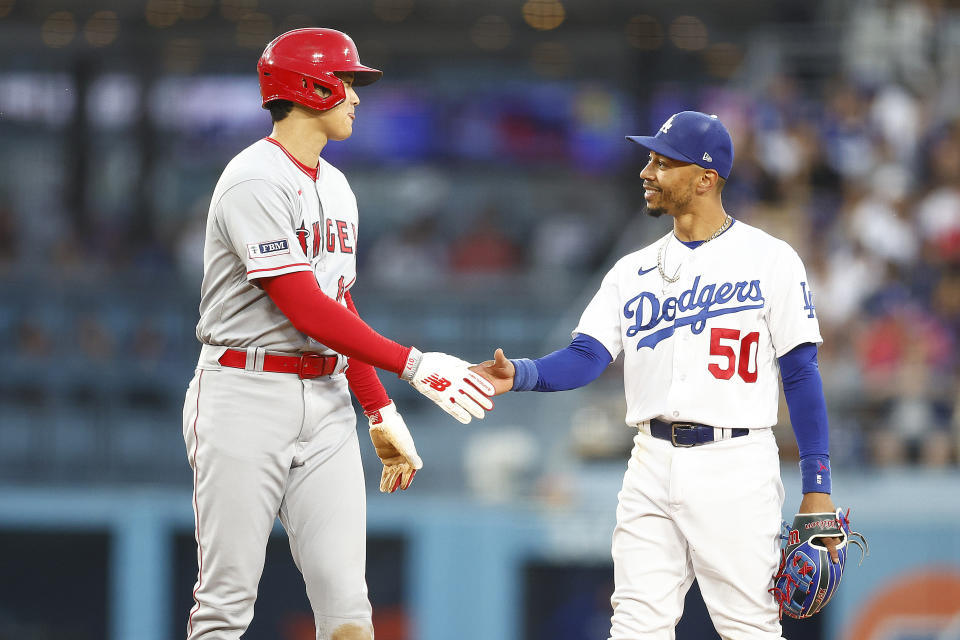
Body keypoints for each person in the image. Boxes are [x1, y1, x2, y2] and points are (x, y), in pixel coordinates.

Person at [472, 111, 840, 639]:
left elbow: (801, 374)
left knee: (749, 628)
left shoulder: (770, 259)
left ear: (705, 179)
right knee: (635, 626)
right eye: (649, 159)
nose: (647, 171)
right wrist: (523, 374)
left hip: (734, 462)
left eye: (663, 163)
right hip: (649, 459)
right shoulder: (632, 269)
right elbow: (587, 355)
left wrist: (817, 483)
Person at [181, 28, 494, 640]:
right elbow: (301, 304)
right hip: (245, 391)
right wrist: (412, 364)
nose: (356, 97)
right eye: (348, 82)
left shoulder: (337, 186)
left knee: (349, 609)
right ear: (309, 86)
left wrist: (376, 408)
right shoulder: (253, 178)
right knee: (225, 605)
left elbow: (337, 300)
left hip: (324, 403)